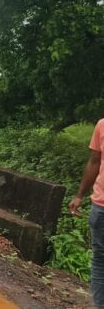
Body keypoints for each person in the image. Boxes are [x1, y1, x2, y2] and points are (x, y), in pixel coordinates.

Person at [68, 118, 104, 308]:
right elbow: (94, 161)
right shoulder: (102, 125)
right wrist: (79, 195)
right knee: (100, 260)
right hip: (101, 206)